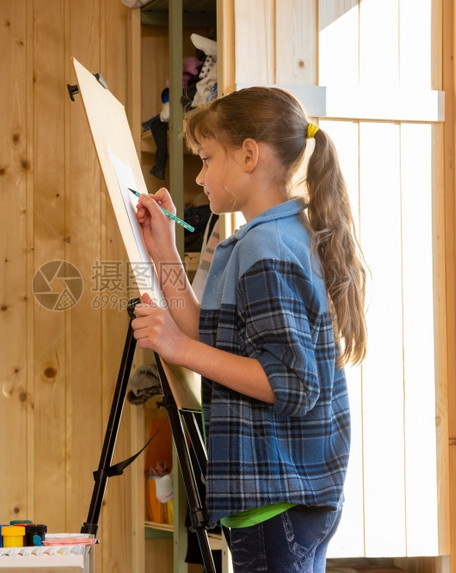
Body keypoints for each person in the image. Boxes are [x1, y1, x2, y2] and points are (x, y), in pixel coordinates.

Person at [131, 86, 367, 572]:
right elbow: (214, 336)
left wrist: (177, 349)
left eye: (206, 159)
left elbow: (291, 384)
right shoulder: (273, 236)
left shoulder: (267, 249)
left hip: (277, 498)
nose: (199, 176)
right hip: (290, 494)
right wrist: (165, 254)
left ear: (248, 155)